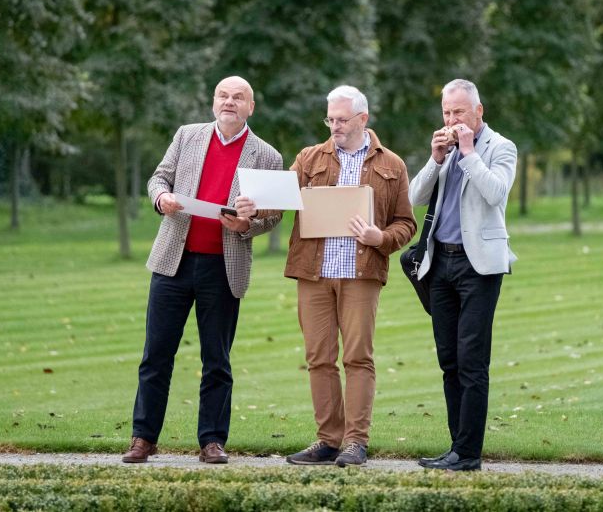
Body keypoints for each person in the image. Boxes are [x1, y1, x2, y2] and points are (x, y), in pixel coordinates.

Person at [122, 76, 283, 465]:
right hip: (172, 262)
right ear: (214, 102)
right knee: (156, 354)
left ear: (251, 107)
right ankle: (143, 438)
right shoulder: (187, 136)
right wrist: (161, 197)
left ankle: (212, 440)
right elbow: (159, 177)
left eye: (238, 97)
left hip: (224, 266)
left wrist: (248, 225)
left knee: (217, 359)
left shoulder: (268, 156)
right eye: (223, 96)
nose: (229, 102)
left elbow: (274, 215)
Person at [283, 85, 416, 467]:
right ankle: (328, 440)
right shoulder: (310, 158)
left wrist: (381, 238)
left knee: (358, 357)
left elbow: (406, 224)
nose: (335, 126)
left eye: (342, 120)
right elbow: (281, 196)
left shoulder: (392, 165)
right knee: (318, 358)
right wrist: (253, 206)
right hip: (315, 273)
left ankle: (355, 441)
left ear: (363, 119)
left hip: (361, 273)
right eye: (330, 119)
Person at [408, 78, 517, 472]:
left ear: (478, 111)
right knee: (449, 360)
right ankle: (457, 447)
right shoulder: (445, 151)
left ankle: (469, 453)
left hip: (479, 266)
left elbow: (495, 193)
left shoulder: (500, 148)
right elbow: (412, 197)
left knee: (472, 360)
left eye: (459, 112)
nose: (452, 119)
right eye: (447, 113)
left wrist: (468, 152)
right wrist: (436, 159)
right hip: (440, 264)